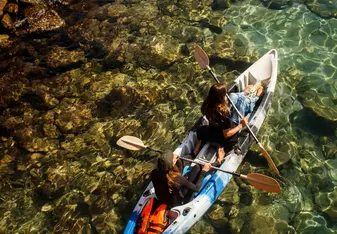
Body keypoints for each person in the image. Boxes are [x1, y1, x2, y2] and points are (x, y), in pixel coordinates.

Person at [193, 83, 249, 155]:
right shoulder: (223, 114)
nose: (226, 95)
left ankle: (198, 145)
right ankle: (249, 96)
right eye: (225, 94)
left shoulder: (206, 105)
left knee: (233, 97)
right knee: (241, 101)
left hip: (212, 132)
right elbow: (227, 134)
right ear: (221, 97)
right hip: (222, 137)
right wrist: (241, 125)